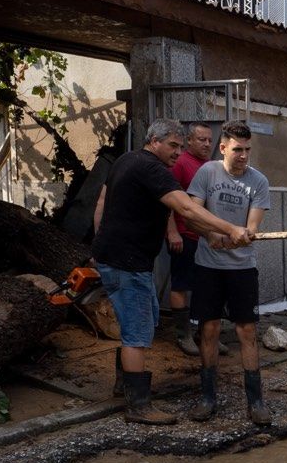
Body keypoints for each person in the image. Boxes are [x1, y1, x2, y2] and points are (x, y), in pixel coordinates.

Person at [92, 119, 254, 425]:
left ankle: (122, 385)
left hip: (116, 258)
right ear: (154, 141)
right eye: (173, 146)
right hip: (127, 263)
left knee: (141, 322)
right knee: (137, 333)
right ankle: (138, 406)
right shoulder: (151, 169)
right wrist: (231, 227)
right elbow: (188, 209)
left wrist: (208, 235)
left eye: (181, 147)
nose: (178, 153)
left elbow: (102, 202)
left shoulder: (127, 160)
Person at [186, 120, 273, 425]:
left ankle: (256, 400)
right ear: (223, 148)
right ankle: (208, 397)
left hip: (242, 268)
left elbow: (252, 225)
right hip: (208, 265)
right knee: (208, 330)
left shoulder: (259, 181)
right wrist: (211, 235)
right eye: (238, 149)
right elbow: (193, 213)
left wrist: (245, 233)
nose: (244, 155)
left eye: (248, 149)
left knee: (246, 332)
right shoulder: (206, 173)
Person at [166, 122, 216, 357]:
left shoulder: (210, 166)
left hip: (206, 236)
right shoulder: (180, 164)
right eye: (201, 139)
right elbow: (165, 199)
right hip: (184, 235)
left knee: (206, 286)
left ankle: (204, 335)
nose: (207, 144)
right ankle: (183, 334)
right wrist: (172, 232)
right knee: (181, 284)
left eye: (209, 139)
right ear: (189, 141)